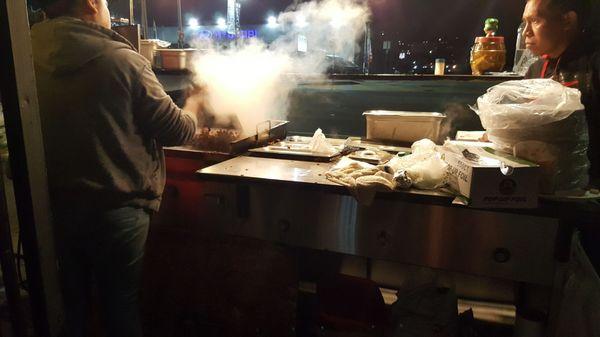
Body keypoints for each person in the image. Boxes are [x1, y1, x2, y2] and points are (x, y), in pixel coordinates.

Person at [30, 0, 200, 336]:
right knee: (118, 308)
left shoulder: (27, 55)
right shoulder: (122, 60)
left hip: (56, 206)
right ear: (92, 4)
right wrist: (194, 111)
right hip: (116, 211)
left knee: (71, 306)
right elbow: (177, 130)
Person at [522, 0, 599, 188]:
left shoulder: (594, 64)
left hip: (590, 188)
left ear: (567, 21)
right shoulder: (535, 70)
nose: (526, 32)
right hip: (541, 184)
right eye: (524, 22)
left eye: (535, 20)